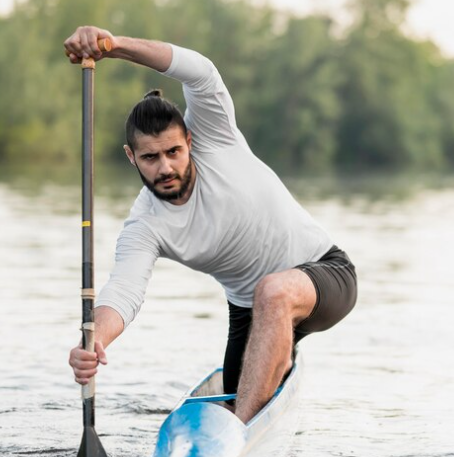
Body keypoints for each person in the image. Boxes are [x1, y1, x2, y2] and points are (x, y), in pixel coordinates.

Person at [64, 26, 357, 423]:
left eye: (174, 151)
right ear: (131, 157)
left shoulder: (215, 135)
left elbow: (199, 71)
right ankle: (273, 375)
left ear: (189, 138)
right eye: (151, 158)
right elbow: (123, 294)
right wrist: (93, 340)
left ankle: (241, 428)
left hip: (325, 273)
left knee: (273, 293)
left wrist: (114, 46)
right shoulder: (145, 225)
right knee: (254, 342)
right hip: (248, 311)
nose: (165, 167)